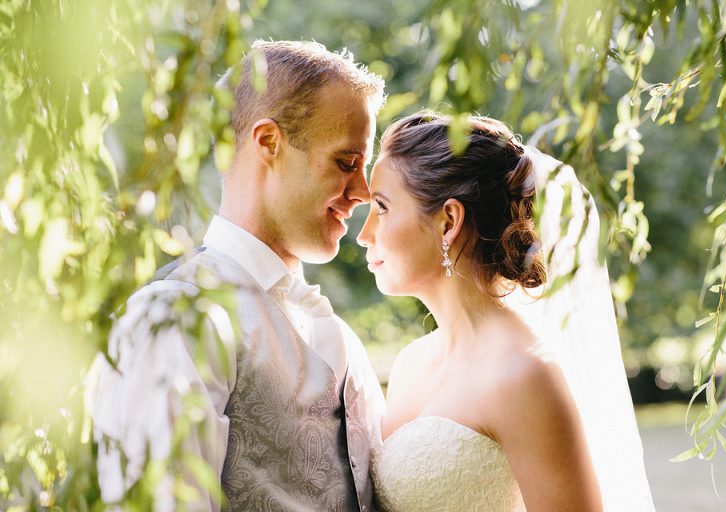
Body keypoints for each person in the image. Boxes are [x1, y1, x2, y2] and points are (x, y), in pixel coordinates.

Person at [89, 40, 387, 512]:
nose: (364, 193)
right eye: (346, 163)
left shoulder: (339, 335)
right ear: (268, 142)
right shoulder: (174, 317)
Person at [356, 111, 655, 511]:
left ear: (448, 221)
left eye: (383, 208)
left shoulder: (524, 375)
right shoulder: (412, 361)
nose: (364, 234)